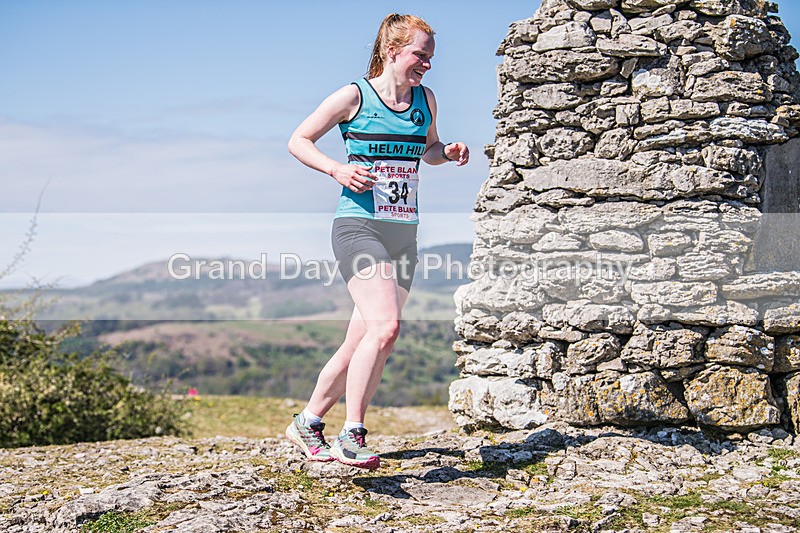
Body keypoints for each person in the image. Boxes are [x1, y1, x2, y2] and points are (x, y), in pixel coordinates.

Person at [285, 13, 469, 470]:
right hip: (358, 227)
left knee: (363, 341)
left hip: (404, 233)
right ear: (392, 51)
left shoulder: (426, 99)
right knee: (386, 328)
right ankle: (353, 434)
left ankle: (307, 422)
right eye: (419, 55)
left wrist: (445, 152)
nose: (426, 64)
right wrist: (337, 169)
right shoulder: (354, 95)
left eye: (430, 58)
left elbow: (427, 149)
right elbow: (298, 139)